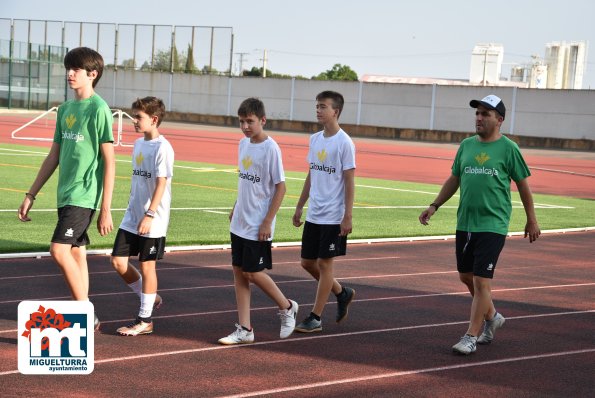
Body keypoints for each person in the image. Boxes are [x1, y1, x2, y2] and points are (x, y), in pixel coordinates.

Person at [419, 94, 541, 355]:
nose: (479, 118)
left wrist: (531, 218)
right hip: (465, 222)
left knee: (482, 281)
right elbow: (454, 179)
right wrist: (434, 205)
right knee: (466, 277)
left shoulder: (509, 149)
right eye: (477, 113)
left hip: (493, 224)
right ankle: (493, 316)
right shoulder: (466, 146)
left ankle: (471, 336)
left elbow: (523, 186)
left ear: (499, 120)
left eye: (485, 114)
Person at [17, 47, 115, 330]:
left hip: (83, 195)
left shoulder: (99, 109)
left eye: (76, 69)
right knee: (75, 253)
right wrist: (30, 194)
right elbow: (54, 156)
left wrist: (105, 208)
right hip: (65, 194)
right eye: (68, 68)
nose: (70, 74)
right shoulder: (66, 109)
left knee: (58, 250)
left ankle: (85, 312)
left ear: (92, 74)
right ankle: (86, 314)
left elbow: (110, 162)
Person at [218, 97, 298, 345]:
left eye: (250, 121)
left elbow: (281, 187)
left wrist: (267, 221)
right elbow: (245, 180)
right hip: (240, 220)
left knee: (253, 272)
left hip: (257, 223)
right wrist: (235, 206)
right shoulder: (243, 144)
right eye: (241, 122)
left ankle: (287, 307)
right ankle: (245, 329)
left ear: (262, 120)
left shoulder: (271, 148)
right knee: (239, 274)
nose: (245, 126)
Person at [292, 90, 356, 333]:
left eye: (322, 107)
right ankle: (342, 292)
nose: (317, 110)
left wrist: (347, 215)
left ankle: (315, 317)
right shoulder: (315, 139)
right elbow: (312, 174)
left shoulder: (345, 143)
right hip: (314, 213)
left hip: (333, 215)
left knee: (324, 264)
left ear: (335, 111)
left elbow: (350, 181)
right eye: (316, 106)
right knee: (307, 263)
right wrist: (299, 205)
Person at [111, 97, 174, 336]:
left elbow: (161, 183)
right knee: (117, 261)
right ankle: (150, 296)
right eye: (134, 116)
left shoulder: (163, 148)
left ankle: (145, 319)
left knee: (147, 266)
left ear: (154, 119)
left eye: (138, 117)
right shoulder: (138, 144)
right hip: (132, 216)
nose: (134, 121)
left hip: (152, 218)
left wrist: (149, 214)